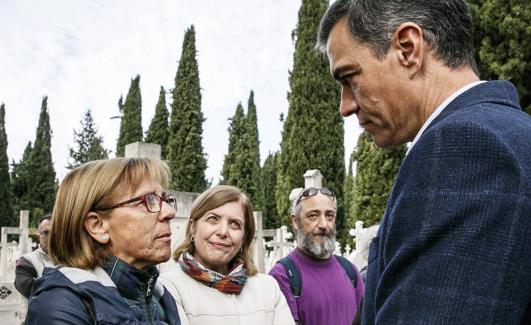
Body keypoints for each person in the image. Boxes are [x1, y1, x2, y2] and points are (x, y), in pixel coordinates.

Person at [317, 0, 531, 324]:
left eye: (349, 78)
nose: (344, 106)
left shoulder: (467, 148)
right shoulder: (508, 133)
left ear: (408, 48)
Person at [25, 158, 182, 325]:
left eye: (165, 199)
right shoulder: (60, 304)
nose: (169, 212)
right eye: (148, 200)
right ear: (97, 225)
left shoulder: (160, 296)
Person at [160, 185, 294, 325]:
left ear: (244, 237)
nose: (223, 232)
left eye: (234, 224)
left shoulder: (268, 288)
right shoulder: (169, 287)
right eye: (213, 219)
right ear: (193, 227)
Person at [269, 187, 364, 325]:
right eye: (313, 216)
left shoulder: (350, 270)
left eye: (329, 215)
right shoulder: (283, 276)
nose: (324, 225)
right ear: (295, 221)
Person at [15, 214, 55, 299]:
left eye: (56, 232)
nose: (52, 237)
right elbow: (31, 290)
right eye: (46, 233)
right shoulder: (26, 261)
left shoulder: (71, 260)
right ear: (38, 237)